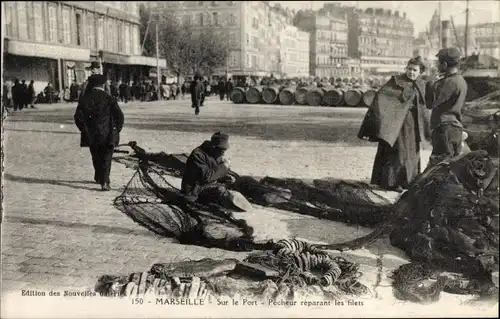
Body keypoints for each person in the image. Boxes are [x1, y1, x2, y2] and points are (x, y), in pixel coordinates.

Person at [358, 56, 431, 192]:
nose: (411, 72)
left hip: (412, 124)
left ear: (420, 72)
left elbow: (425, 105)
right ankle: (392, 182)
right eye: (409, 69)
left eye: (415, 70)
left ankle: (409, 181)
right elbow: (382, 98)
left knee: (412, 152)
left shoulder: (422, 85)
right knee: (398, 152)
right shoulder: (396, 82)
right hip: (396, 126)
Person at [74, 74, 124, 191]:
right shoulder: (108, 98)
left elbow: (78, 117)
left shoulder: (84, 98)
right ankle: (105, 181)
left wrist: (84, 129)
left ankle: (98, 175)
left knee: (95, 155)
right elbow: (119, 116)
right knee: (106, 157)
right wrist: (116, 129)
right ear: (103, 84)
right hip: (108, 133)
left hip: (91, 134)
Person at [425, 48, 468, 168]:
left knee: (438, 164)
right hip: (455, 128)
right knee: (451, 164)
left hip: (444, 127)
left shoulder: (448, 82)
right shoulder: (461, 81)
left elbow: (430, 103)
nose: (437, 65)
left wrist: (430, 82)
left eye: (439, 62)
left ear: (444, 64)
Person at [181, 132, 235, 205]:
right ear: (213, 147)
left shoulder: (213, 153)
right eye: (222, 150)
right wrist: (224, 166)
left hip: (205, 185)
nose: (223, 153)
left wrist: (224, 177)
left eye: (224, 150)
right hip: (193, 190)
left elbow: (212, 172)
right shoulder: (198, 154)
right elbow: (206, 177)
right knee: (221, 191)